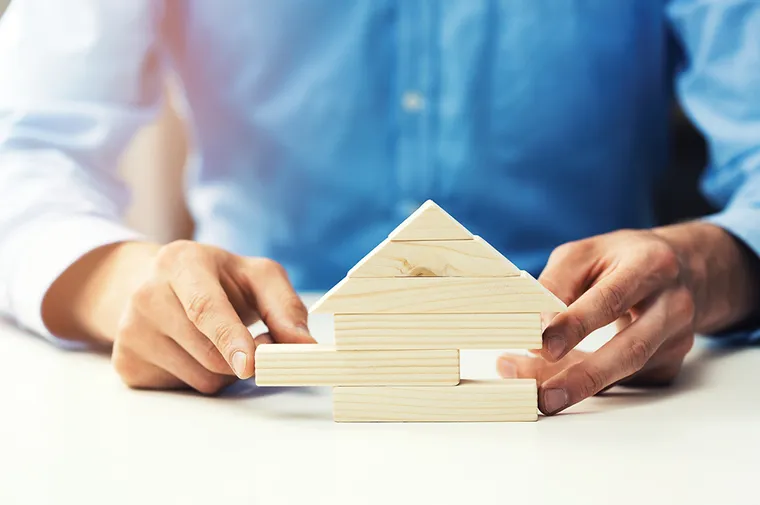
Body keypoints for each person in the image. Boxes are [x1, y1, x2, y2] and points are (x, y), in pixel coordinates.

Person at [0, 0, 758, 415]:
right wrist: (117, 283)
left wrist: (711, 263)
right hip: (251, 392)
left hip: (605, 396)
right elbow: (26, 151)